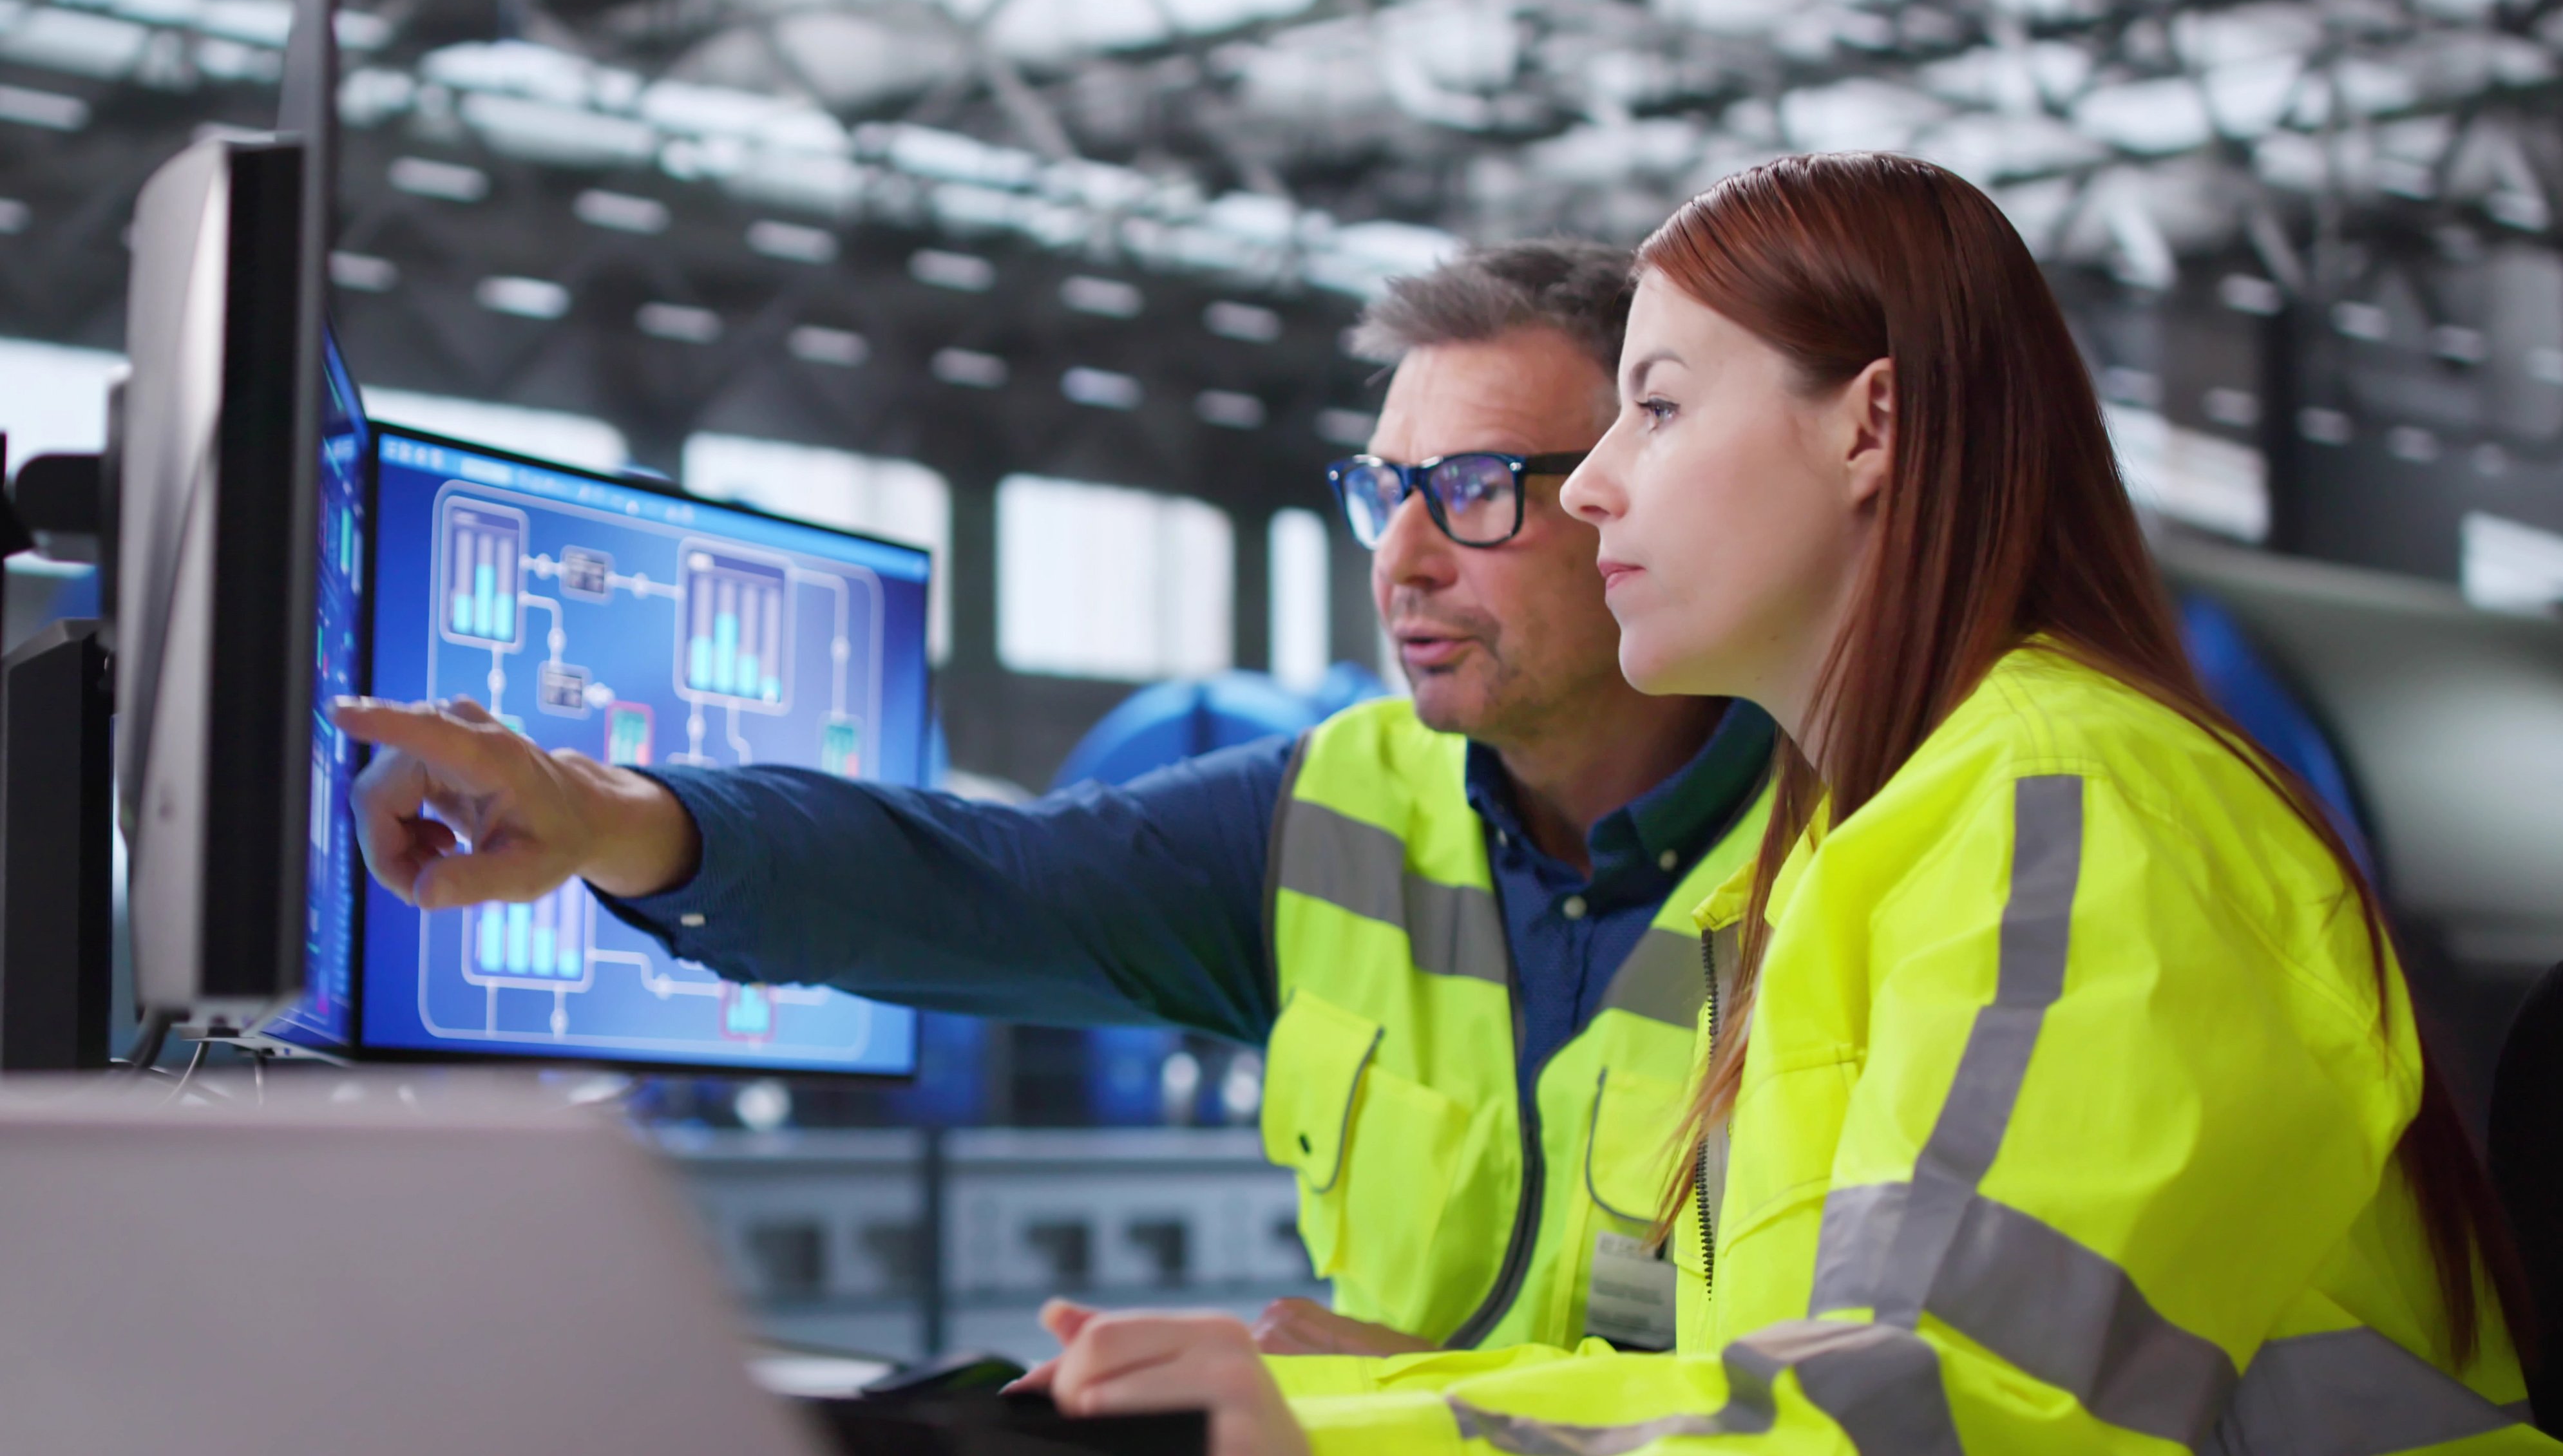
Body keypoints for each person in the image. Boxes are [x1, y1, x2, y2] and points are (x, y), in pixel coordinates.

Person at [1006, 153, 2563, 1455]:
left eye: (1656, 409)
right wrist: (1339, 1397)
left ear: (1869, 428)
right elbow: (1780, 1386)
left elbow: (1938, 1416)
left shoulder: (2073, 811)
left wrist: (1337, 1441)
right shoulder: (1849, 847)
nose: (1595, 484)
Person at [330, 240, 1778, 1360]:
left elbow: (1868, 1396)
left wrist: (1415, 1409)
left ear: (1634, 499)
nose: (1401, 557)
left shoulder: (1845, 855)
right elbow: (972, 878)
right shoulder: (1336, 813)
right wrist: (604, 816)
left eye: (1471, 488)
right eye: (1382, 489)